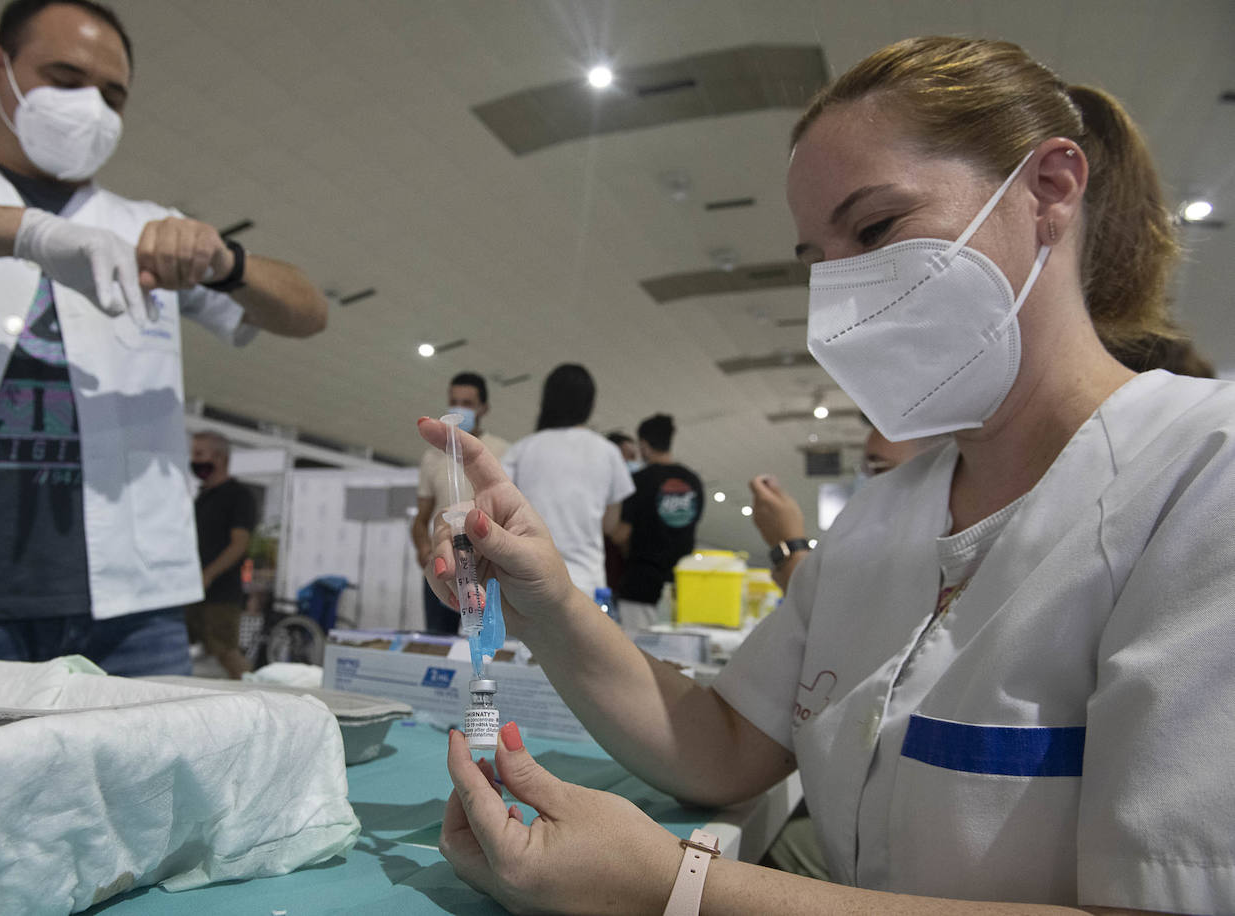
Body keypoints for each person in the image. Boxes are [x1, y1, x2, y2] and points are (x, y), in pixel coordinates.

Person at [420, 36, 1235, 914]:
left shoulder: (1199, 472)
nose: (849, 285)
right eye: (819, 260)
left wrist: (677, 890)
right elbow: (725, 745)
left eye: (878, 228)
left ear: (1051, 188)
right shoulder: (887, 517)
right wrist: (546, 601)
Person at [0, 0, 327, 676]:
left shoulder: (145, 229)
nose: (93, 109)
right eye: (66, 79)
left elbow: (307, 311)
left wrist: (226, 261)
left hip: (130, 614)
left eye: (113, 95)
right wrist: (27, 232)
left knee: (143, 782)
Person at [749, 425, 942, 590]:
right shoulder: (868, 543)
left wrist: (789, 544)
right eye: (865, 468)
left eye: (878, 467)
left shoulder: (932, 561)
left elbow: (826, 614)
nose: (867, 479)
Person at [500, 364, 634, 598]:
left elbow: (501, 511)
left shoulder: (521, 450)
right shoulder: (608, 452)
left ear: (546, 400)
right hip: (585, 583)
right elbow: (610, 525)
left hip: (528, 578)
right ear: (589, 403)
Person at [411, 371, 509, 633]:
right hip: (444, 562)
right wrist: (424, 549)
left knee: (486, 641)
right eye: (454, 401)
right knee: (439, 639)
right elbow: (421, 517)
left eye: (467, 403)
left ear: (483, 408)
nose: (459, 408)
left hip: (486, 565)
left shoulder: (502, 452)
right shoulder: (432, 457)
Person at [612, 414, 704, 630]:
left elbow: (621, 534)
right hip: (682, 586)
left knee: (638, 655)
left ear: (644, 445)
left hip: (640, 585)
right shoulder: (693, 481)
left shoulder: (638, 481)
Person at [186, 431, 257, 679]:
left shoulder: (238, 496)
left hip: (220, 595)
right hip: (192, 592)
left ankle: (260, 696)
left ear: (219, 457)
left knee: (225, 651)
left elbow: (239, 545)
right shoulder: (202, 498)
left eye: (199, 454)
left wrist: (209, 575)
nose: (193, 460)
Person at [602, 431, 640, 592]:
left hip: (625, 575)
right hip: (605, 569)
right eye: (628, 455)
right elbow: (616, 533)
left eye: (634, 456)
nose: (632, 461)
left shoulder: (634, 492)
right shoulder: (599, 489)